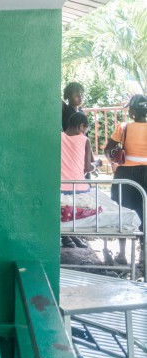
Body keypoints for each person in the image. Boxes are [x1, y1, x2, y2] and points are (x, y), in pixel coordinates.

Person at [103, 94, 147, 267]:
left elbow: (108, 150)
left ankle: (122, 255)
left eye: (130, 109)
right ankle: (144, 255)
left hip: (126, 176)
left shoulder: (123, 127)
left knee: (123, 213)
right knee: (145, 213)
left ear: (134, 111)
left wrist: (116, 160)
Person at [60, 112, 96, 251]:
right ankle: (74, 235)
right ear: (81, 126)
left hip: (60, 186)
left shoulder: (58, 137)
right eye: (85, 129)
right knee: (80, 210)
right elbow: (88, 167)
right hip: (78, 187)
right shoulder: (84, 140)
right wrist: (96, 165)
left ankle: (67, 236)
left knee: (65, 210)